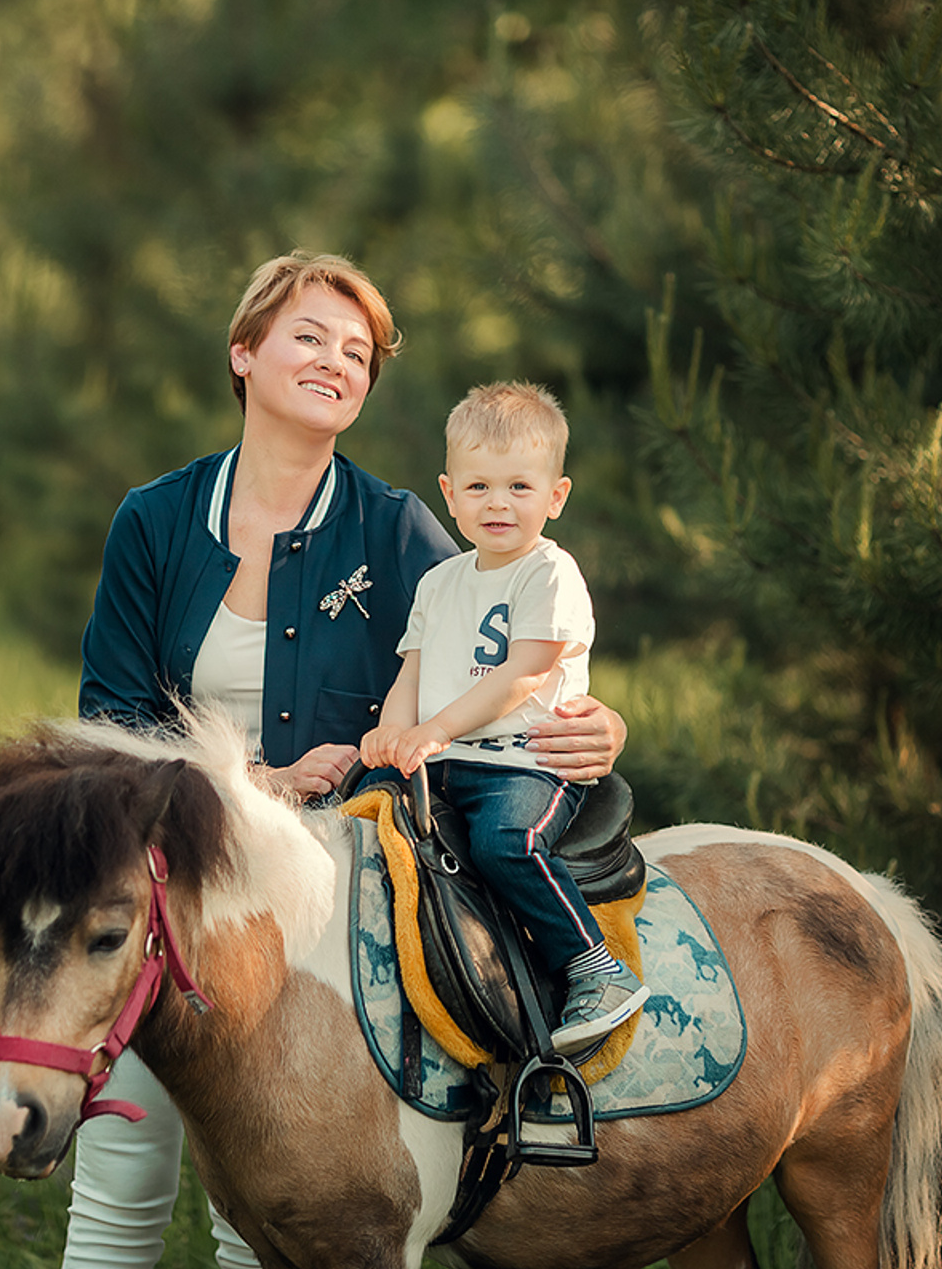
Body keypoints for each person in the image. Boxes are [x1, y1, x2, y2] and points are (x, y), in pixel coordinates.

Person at [65, 255, 629, 1269]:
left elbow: (509, 667)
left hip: (328, 914)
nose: (335, 359)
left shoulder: (399, 527)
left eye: (356, 351)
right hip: (169, 893)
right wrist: (258, 788)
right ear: (243, 352)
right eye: (308, 335)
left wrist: (601, 726)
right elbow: (108, 730)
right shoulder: (151, 520)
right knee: (118, 1188)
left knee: (272, 1210)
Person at [359, 381, 648, 1056]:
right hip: (451, 761)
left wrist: (432, 731)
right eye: (480, 486)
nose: (498, 503)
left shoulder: (549, 573)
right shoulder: (441, 582)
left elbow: (524, 676)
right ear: (450, 493)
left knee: (504, 843)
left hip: (528, 760)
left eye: (520, 487)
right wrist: (390, 732)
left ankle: (595, 969)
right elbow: (414, 672)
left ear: (556, 496)